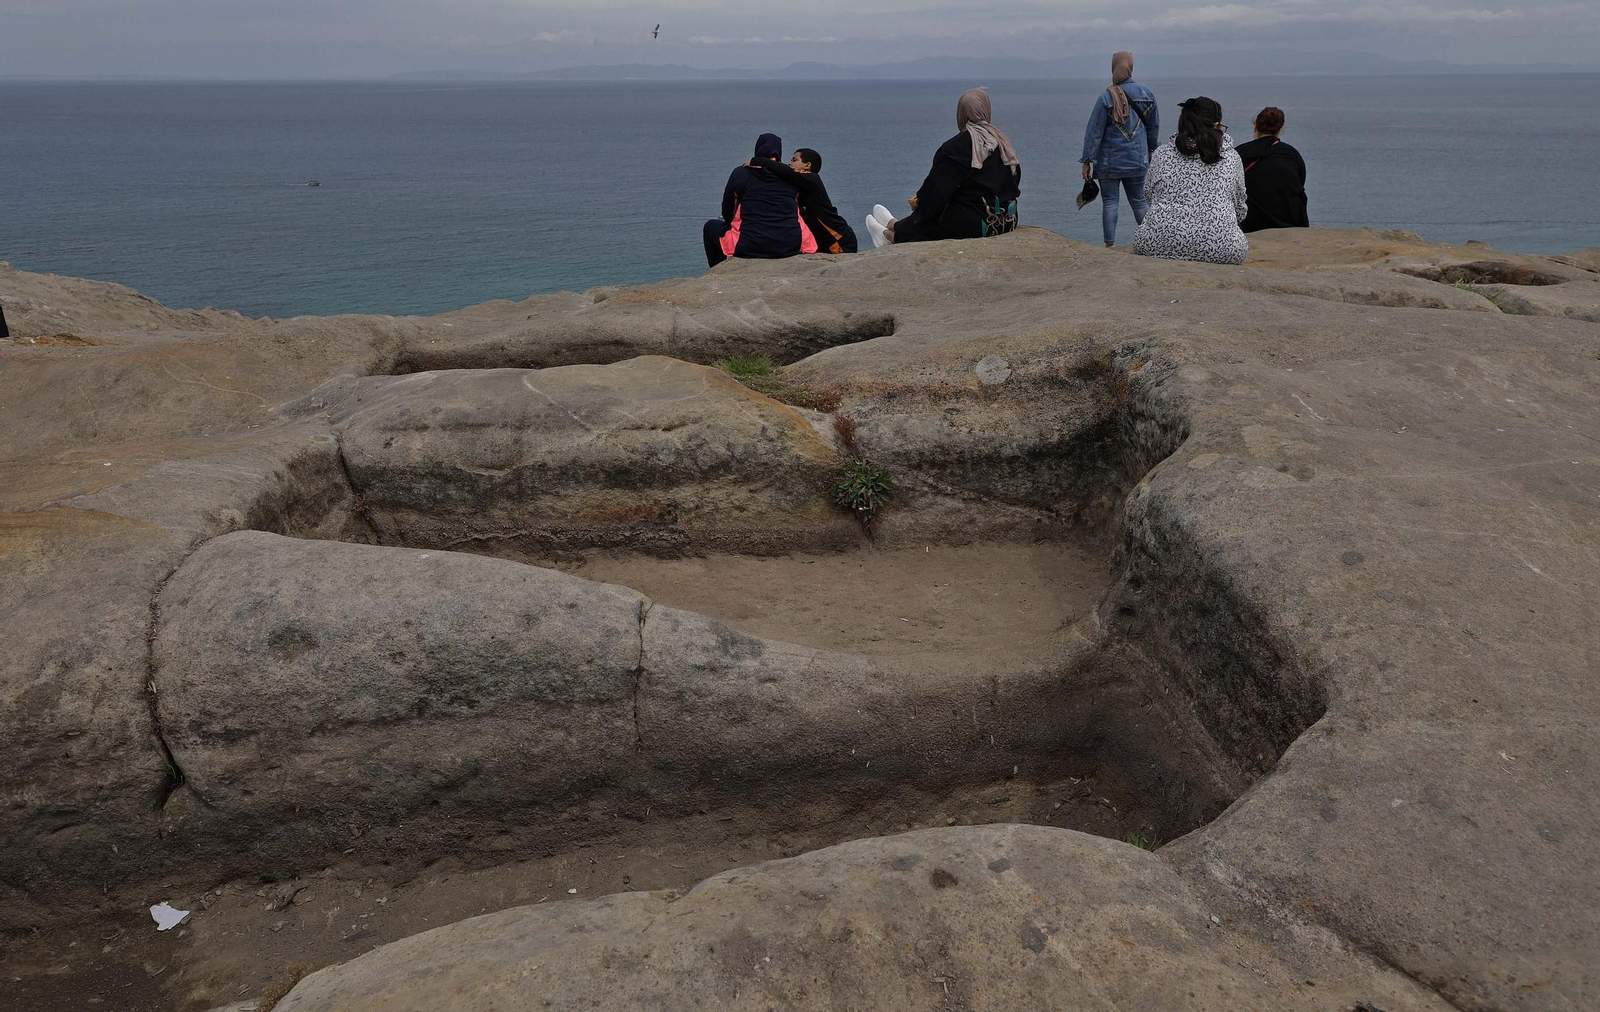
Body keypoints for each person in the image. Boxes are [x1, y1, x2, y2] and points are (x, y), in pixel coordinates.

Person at [864, 88, 1020, 247]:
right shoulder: (1003, 144)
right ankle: (893, 225)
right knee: (942, 211)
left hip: (976, 226)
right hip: (1007, 221)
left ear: (961, 113)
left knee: (933, 217)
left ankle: (890, 235)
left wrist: (920, 207)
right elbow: (1013, 184)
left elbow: (934, 193)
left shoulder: (955, 148)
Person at [1133, 96, 1249, 265]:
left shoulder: (1161, 154)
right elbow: (1240, 209)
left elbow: (1149, 195)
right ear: (1216, 125)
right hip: (1223, 248)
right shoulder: (1231, 157)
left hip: (1155, 243)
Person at [1079, 51, 1158, 247]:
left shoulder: (1106, 97)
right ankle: (1153, 242)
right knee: (1139, 202)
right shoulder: (1147, 94)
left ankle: (1109, 245)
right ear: (1130, 66)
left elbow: (1095, 132)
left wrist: (1087, 160)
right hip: (1138, 159)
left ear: (1114, 66)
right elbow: (1153, 127)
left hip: (1109, 162)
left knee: (1110, 202)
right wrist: (1151, 150)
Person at [703, 133, 817, 268]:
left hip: (749, 245)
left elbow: (728, 209)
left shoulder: (740, 173)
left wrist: (731, 223)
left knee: (711, 227)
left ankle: (719, 269)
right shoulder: (790, 175)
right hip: (790, 245)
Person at [747, 148, 858, 254]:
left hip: (840, 241)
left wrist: (758, 161)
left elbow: (787, 172)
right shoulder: (800, 183)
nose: (790, 163)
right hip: (823, 243)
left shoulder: (812, 179)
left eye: (794, 160)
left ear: (807, 165)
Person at [1235, 106, 1309, 233]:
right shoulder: (1291, 155)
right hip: (1289, 223)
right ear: (1280, 129)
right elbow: (1300, 184)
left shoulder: (1239, 153)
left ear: (1256, 126)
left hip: (1250, 223)